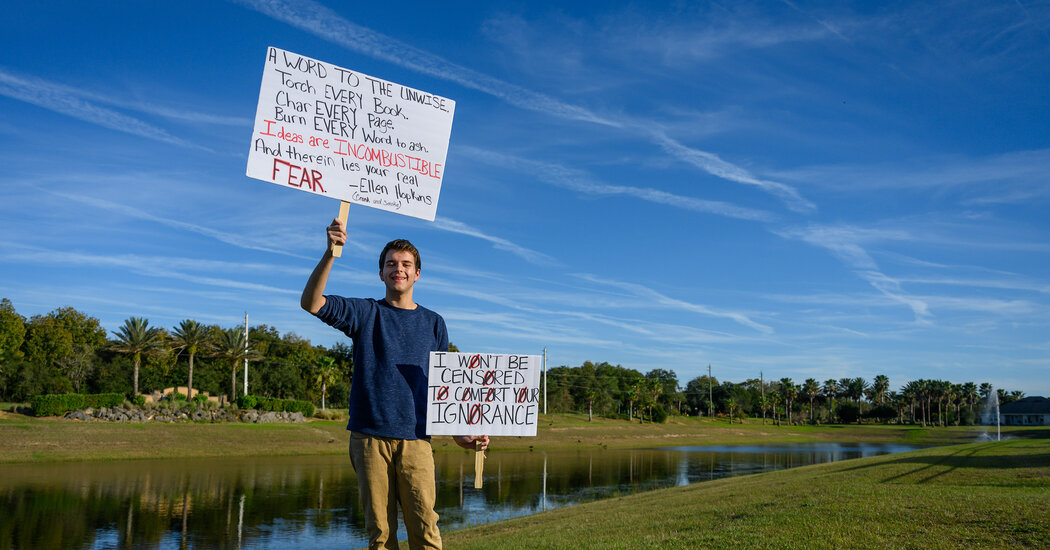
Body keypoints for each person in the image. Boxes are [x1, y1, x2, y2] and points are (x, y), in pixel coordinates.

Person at [301, 217, 487, 550]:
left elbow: (441, 387)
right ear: (381, 273)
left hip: (417, 440)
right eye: (390, 264)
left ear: (417, 274)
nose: (397, 269)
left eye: (405, 264)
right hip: (369, 438)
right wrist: (331, 253)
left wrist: (461, 432)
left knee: (426, 531)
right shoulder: (364, 313)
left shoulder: (434, 323)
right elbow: (312, 304)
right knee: (382, 536)